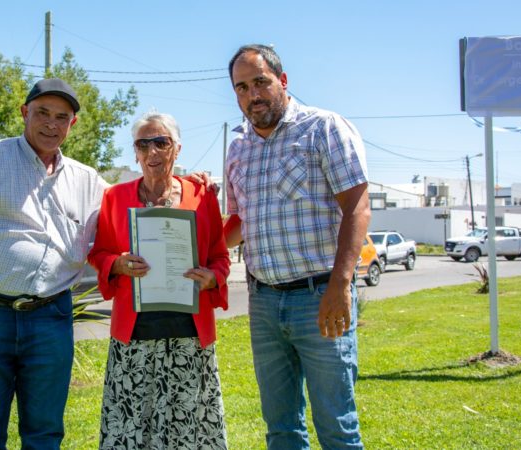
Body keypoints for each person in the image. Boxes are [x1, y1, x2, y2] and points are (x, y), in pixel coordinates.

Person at [0, 78, 108, 449]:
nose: (51, 124)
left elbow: (129, 207)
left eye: (62, 117)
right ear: (25, 113)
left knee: (44, 433)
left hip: (51, 316)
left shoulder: (87, 179)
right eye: (42, 113)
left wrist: (188, 185)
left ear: (72, 124)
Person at [224, 44, 371, 449]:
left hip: (320, 297)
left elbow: (357, 209)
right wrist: (192, 251)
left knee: (336, 426)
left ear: (282, 81)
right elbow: (239, 223)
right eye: (241, 88)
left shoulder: (324, 128)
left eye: (260, 82)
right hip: (264, 303)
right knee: (282, 428)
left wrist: (341, 285)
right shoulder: (238, 148)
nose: (252, 95)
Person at [88, 112, 231, 449]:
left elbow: (221, 257)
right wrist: (117, 264)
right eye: (143, 144)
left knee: (188, 432)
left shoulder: (202, 194)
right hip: (133, 335)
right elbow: (99, 253)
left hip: (189, 335)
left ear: (176, 149)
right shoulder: (115, 197)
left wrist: (213, 277)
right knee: (130, 428)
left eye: (161, 142)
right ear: (135, 152)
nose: (152, 151)